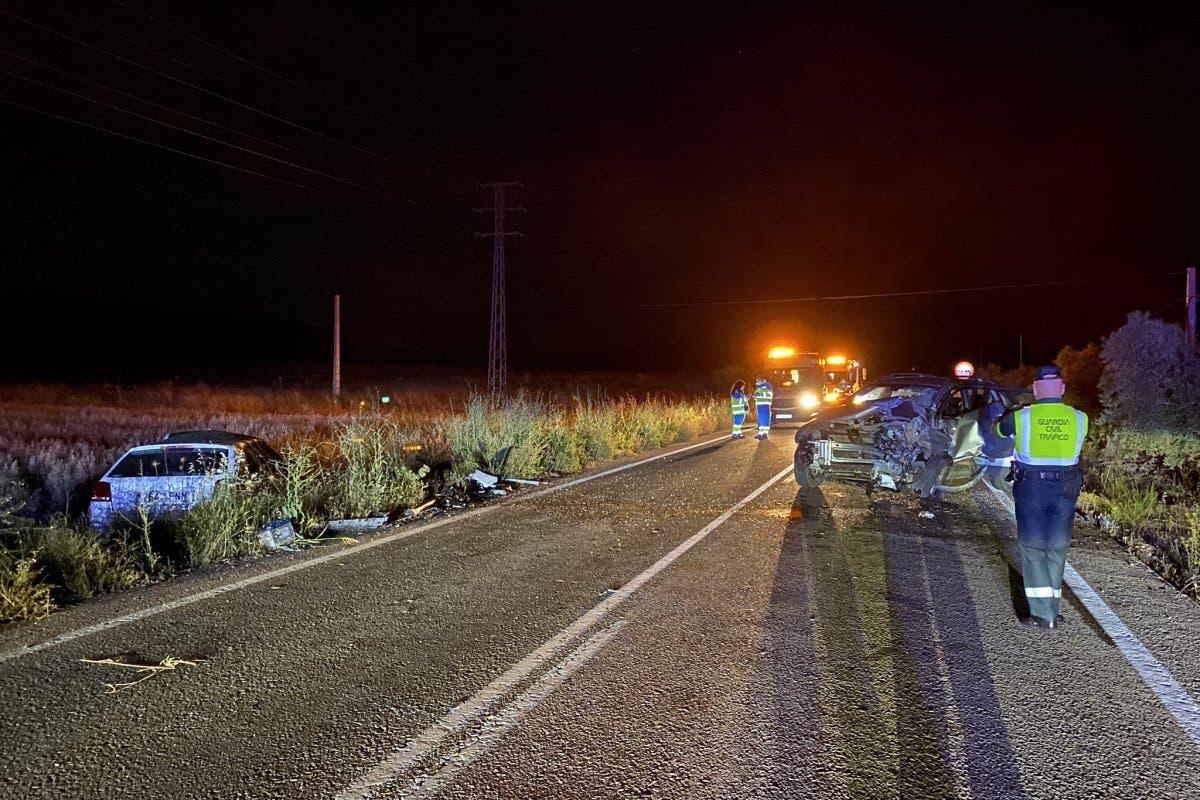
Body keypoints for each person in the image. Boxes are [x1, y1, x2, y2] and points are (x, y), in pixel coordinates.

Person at [995, 364, 1089, 631]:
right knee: (1057, 548)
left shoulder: (1022, 417)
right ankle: (1053, 611)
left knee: (1034, 548)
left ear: (1035, 389)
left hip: (1032, 487)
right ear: (1062, 388)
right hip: (1067, 489)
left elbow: (999, 431)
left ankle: (1043, 615)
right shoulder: (1080, 418)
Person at [753, 376, 774, 440]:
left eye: (757, 380)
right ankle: (761, 433)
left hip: (765, 404)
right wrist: (755, 396)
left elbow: (769, 393)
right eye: (756, 381)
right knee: (761, 419)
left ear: (761, 380)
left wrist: (759, 393)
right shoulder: (758, 386)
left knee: (765, 418)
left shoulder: (767, 384)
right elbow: (756, 394)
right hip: (759, 405)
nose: (757, 382)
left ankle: (765, 434)